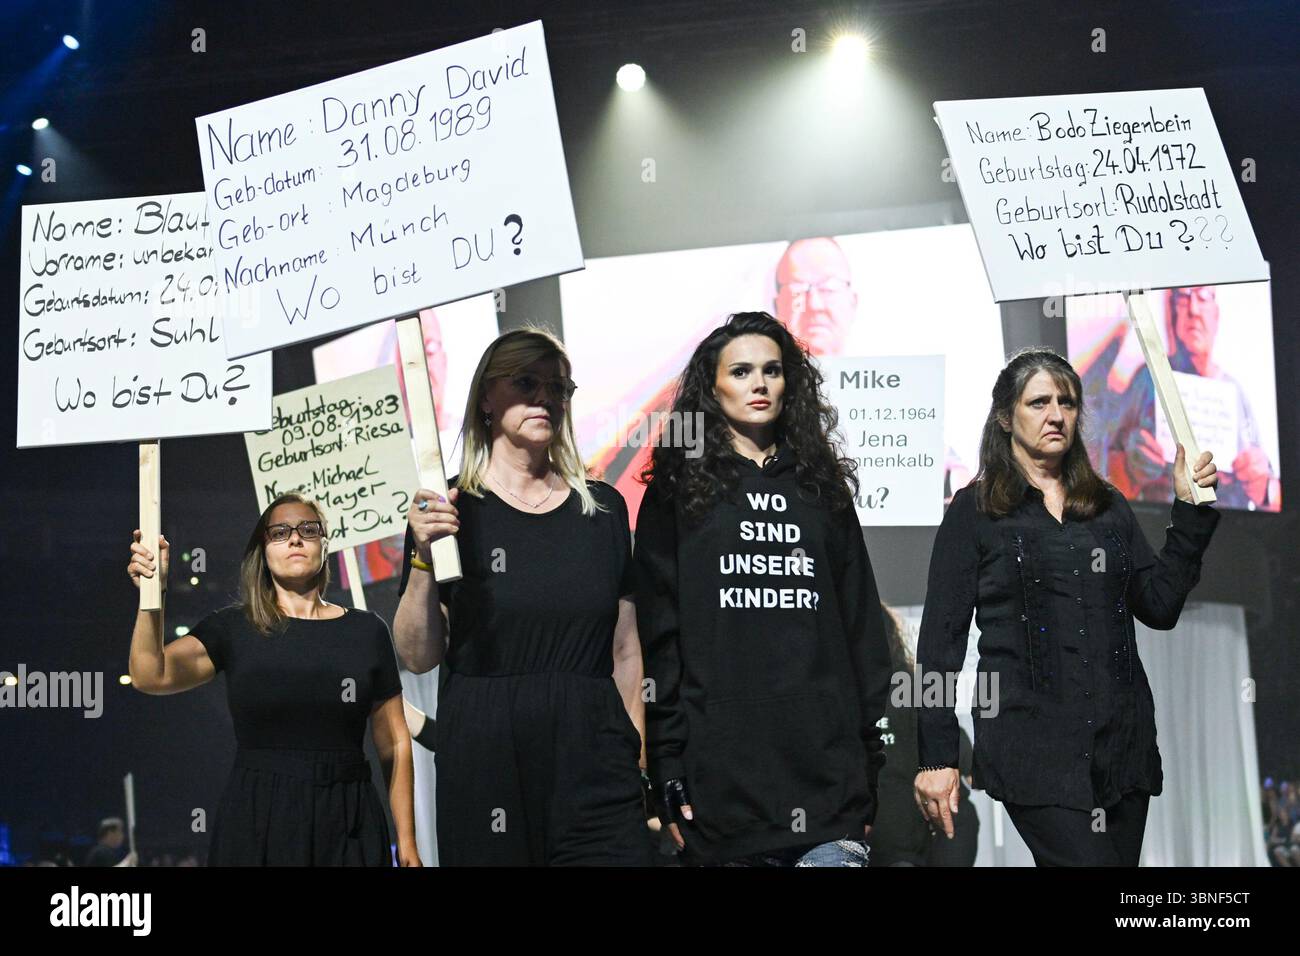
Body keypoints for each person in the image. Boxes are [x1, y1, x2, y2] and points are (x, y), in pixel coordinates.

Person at [913, 347, 1220, 867]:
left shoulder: (1106, 506)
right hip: (1031, 750)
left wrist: (1188, 511)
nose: (1056, 414)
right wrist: (937, 756)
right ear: (1007, 417)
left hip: (1121, 748)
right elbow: (939, 643)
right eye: (1039, 402)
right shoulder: (976, 511)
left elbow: (1160, 606)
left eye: (1068, 402)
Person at [635, 311, 892, 866]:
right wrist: (667, 764)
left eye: (772, 370)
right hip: (721, 797)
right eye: (742, 371)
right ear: (712, 386)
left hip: (828, 787)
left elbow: (861, 630)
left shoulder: (821, 488)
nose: (759, 383)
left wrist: (870, 761)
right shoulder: (676, 493)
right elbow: (659, 641)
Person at [394, 327, 651, 866]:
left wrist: (636, 757)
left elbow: (626, 651)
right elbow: (416, 654)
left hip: (595, 753)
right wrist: (422, 556)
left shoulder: (602, 510)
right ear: (486, 397)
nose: (545, 398)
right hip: (486, 754)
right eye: (526, 382)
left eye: (558, 387)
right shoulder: (450, 509)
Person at [126, 493, 419, 867]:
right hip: (259, 816)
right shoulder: (234, 628)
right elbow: (150, 674)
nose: (295, 538)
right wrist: (154, 594)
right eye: (280, 532)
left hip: (349, 817)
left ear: (324, 543)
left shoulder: (367, 631)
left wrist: (407, 843)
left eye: (307, 529)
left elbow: (394, 742)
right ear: (262, 550)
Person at [1114, 285, 1279, 510]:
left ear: (1216, 316)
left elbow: (1276, 498)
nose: (1193, 309)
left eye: (1204, 298)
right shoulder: (1147, 379)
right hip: (1162, 526)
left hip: (1229, 528)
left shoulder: (1235, 392)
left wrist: (1264, 488)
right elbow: (1103, 470)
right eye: (1183, 299)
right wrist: (1128, 468)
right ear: (1170, 314)